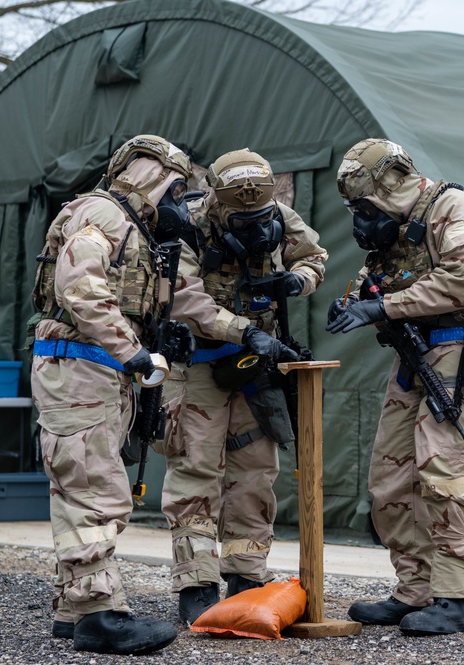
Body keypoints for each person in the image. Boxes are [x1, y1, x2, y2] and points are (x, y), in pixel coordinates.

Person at [29, 135, 291, 654]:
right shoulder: (102, 216)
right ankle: (100, 616)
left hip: (95, 369)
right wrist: (134, 353)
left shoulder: (132, 227)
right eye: (174, 191)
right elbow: (79, 287)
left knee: (79, 485)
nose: (178, 204)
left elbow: (174, 298)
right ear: (152, 177)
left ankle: (74, 607)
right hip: (87, 367)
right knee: (94, 490)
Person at [326, 138, 464, 636]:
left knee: (442, 473)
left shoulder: (455, 210)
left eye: (362, 204)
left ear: (387, 183)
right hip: (412, 355)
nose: (361, 217)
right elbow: (374, 280)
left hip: (457, 351)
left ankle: (458, 598)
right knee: (391, 478)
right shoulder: (396, 227)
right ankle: (416, 589)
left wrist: (381, 308)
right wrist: (354, 302)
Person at [156, 148, 327, 625]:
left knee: (255, 472)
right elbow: (182, 297)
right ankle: (197, 582)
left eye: (260, 214)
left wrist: (298, 280)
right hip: (199, 367)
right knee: (195, 472)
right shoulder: (182, 224)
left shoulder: (279, 215)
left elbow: (315, 255)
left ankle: (246, 576)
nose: (254, 224)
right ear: (215, 201)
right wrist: (241, 329)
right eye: (240, 217)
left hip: (257, 368)